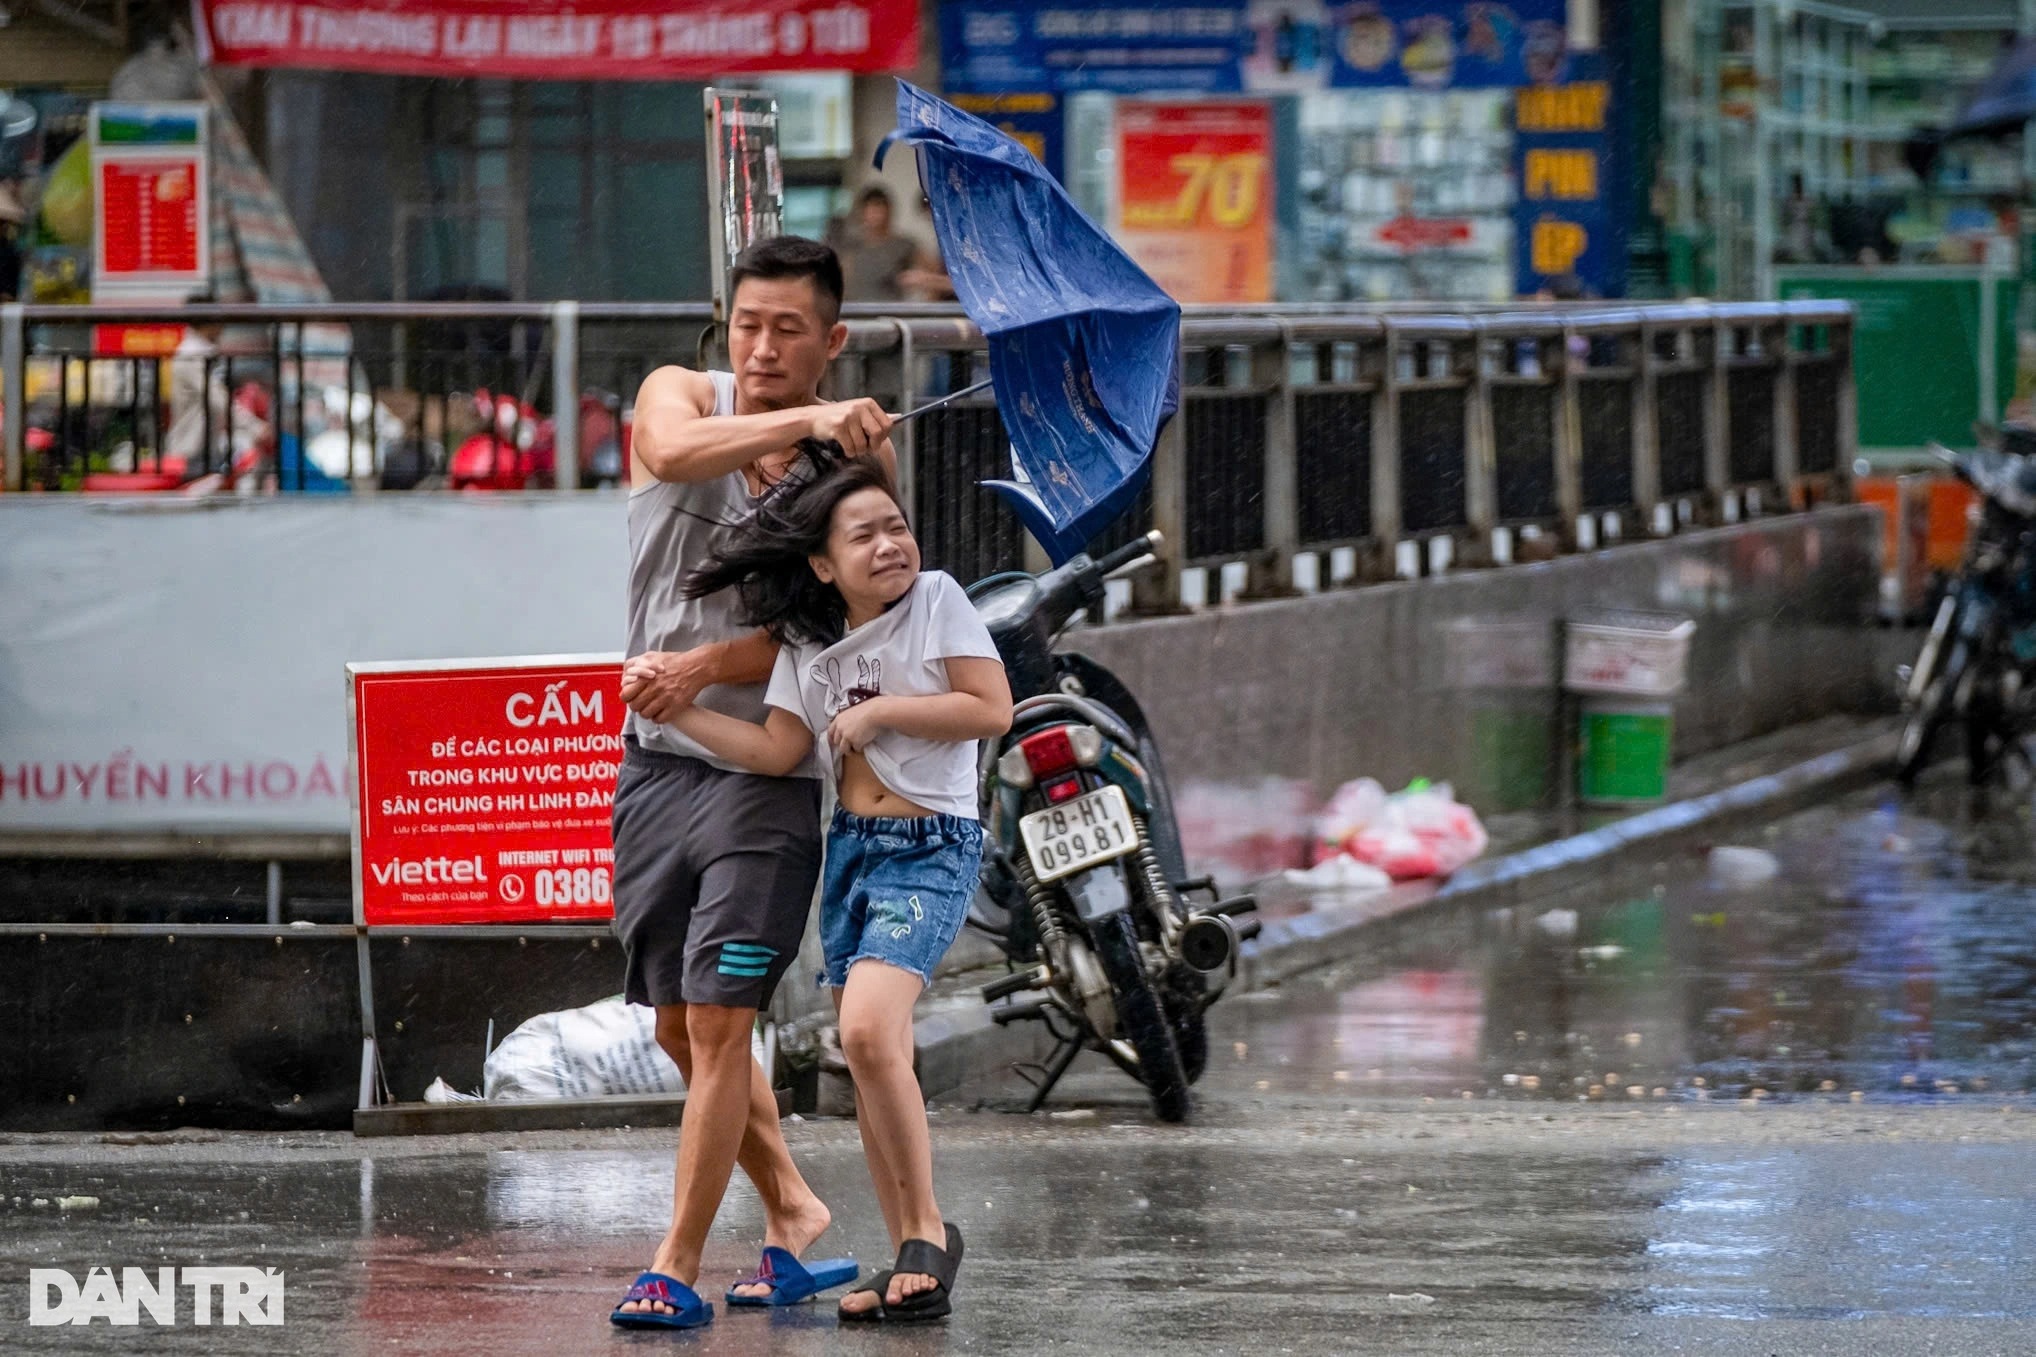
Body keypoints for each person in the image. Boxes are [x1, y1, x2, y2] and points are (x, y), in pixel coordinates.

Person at [608, 235, 898, 1331]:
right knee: (677, 1032)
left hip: (761, 773)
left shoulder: (850, 476)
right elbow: (671, 451)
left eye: (789, 331)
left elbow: (825, 627)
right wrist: (802, 422)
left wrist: (699, 668)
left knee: (722, 1025)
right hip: (655, 768)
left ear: (833, 341)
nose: (763, 347)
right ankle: (796, 1209)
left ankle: (673, 1265)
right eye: (747, 323)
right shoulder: (680, 393)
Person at [671, 455, 1013, 1323]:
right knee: (869, 1056)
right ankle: (911, 1254)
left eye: (897, 525)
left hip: (931, 846)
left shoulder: (938, 599)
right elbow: (779, 750)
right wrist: (679, 711)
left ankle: (928, 1230)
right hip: (852, 854)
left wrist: (883, 710)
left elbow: (990, 708)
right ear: (823, 563)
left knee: (865, 1031)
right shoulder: (811, 645)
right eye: (864, 534)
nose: (891, 543)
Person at [839, 186, 952, 304]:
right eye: (872, 210)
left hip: (892, 310)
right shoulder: (852, 245)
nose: (877, 216)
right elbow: (843, 279)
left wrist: (928, 305)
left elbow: (932, 271)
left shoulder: (904, 245)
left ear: (889, 211)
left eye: (880, 209)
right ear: (863, 212)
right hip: (857, 310)